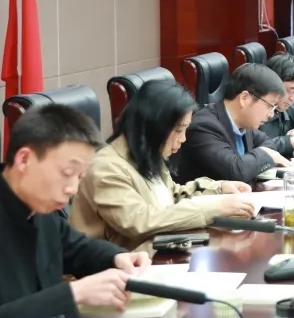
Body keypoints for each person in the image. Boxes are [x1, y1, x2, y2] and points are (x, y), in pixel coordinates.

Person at [0, 105, 151, 318]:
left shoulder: (41, 208)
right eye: (67, 173)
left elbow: (76, 247)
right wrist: (73, 293)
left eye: (80, 177)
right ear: (24, 159)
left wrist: (117, 257)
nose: (73, 188)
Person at [70, 81, 257, 251]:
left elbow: (171, 197)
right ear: (154, 127)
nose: (183, 139)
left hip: (151, 256)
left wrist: (218, 188)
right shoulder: (106, 169)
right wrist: (215, 208)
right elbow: (141, 221)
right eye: (178, 130)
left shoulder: (146, 152)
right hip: (113, 269)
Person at [173, 63, 292, 184]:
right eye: (270, 105)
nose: (271, 114)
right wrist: (265, 155)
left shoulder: (245, 124)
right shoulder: (204, 127)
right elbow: (235, 172)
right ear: (244, 98)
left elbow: (268, 143)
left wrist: (263, 155)